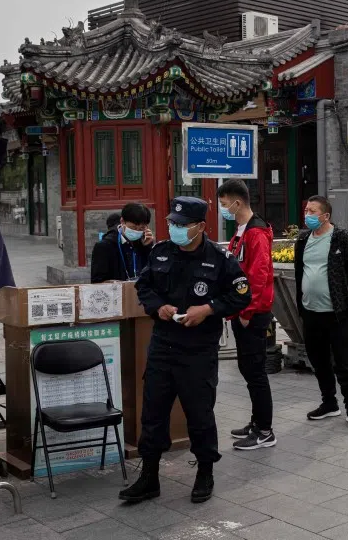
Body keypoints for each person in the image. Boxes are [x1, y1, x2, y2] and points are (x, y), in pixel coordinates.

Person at [120, 197, 251, 505]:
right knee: (152, 414)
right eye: (171, 224)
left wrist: (208, 308)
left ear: (200, 227)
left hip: (198, 351)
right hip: (163, 347)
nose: (174, 229)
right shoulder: (162, 252)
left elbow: (242, 295)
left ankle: (205, 473)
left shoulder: (220, 259)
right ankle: (149, 477)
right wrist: (158, 307)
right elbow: (144, 287)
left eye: (181, 225)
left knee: (200, 415)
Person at [295, 195, 348, 429]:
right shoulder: (303, 239)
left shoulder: (341, 238)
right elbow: (299, 271)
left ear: (325, 216)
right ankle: (329, 402)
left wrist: (342, 293)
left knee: (344, 363)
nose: (308, 215)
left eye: (313, 211)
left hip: (337, 312)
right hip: (310, 311)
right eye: (306, 210)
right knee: (318, 360)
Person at [217, 179, 277, 450]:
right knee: (247, 368)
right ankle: (256, 421)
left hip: (252, 313)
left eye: (223, 204)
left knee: (255, 371)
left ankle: (265, 430)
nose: (222, 209)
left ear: (237, 202)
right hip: (240, 311)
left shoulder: (256, 232)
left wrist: (247, 311)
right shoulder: (241, 230)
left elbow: (259, 275)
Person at [90, 203, 154, 283]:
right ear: (122, 221)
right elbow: (97, 281)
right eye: (133, 227)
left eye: (141, 228)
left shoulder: (142, 243)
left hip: (141, 293)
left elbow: (151, 273)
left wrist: (147, 248)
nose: (136, 231)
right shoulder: (104, 246)